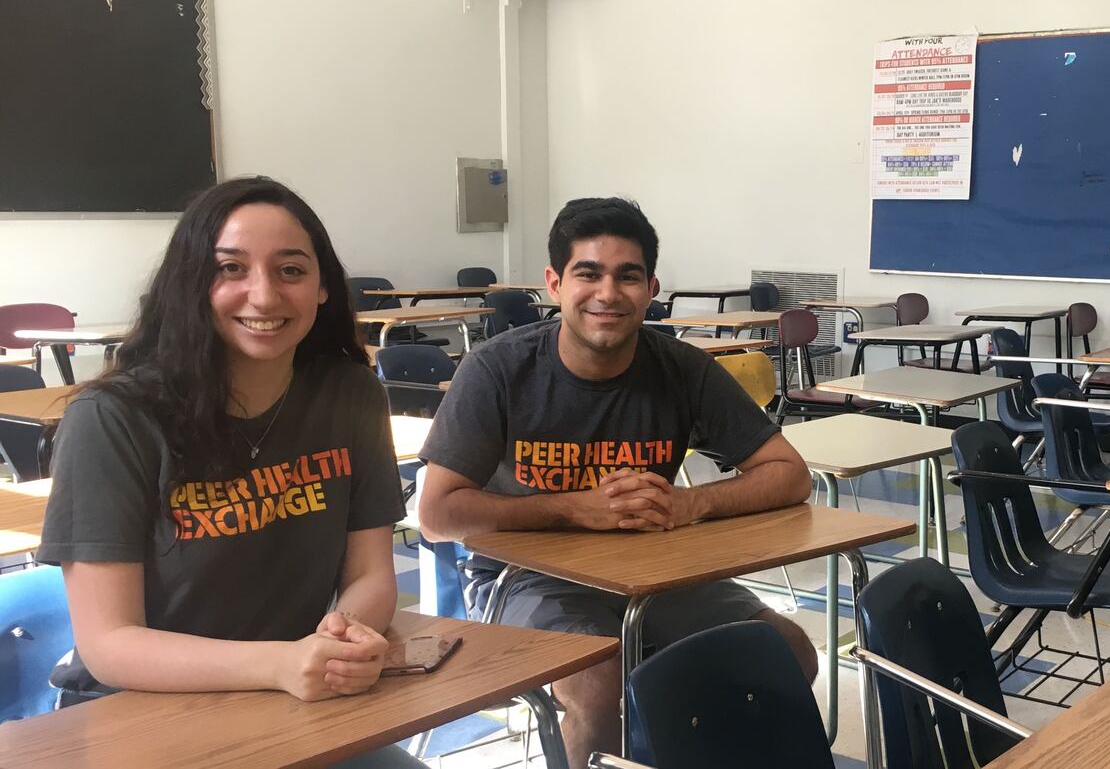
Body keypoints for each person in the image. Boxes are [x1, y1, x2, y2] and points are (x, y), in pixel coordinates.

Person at [418, 197, 816, 765]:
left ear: (651, 290)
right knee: (599, 687)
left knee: (788, 650)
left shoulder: (680, 367)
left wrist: (691, 503)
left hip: (653, 571)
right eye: (588, 273)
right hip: (525, 578)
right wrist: (574, 508)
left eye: (627, 276)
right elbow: (437, 515)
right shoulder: (497, 369)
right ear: (554, 284)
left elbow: (789, 474)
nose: (608, 293)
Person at [36, 177, 416, 765]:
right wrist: (281, 664)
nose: (263, 297)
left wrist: (338, 639)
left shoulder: (351, 395)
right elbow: (109, 644)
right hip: (139, 713)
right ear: (191, 285)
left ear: (322, 289)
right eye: (230, 269)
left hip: (300, 701)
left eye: (290, 270)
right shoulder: (113, 418)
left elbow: (372, 576)